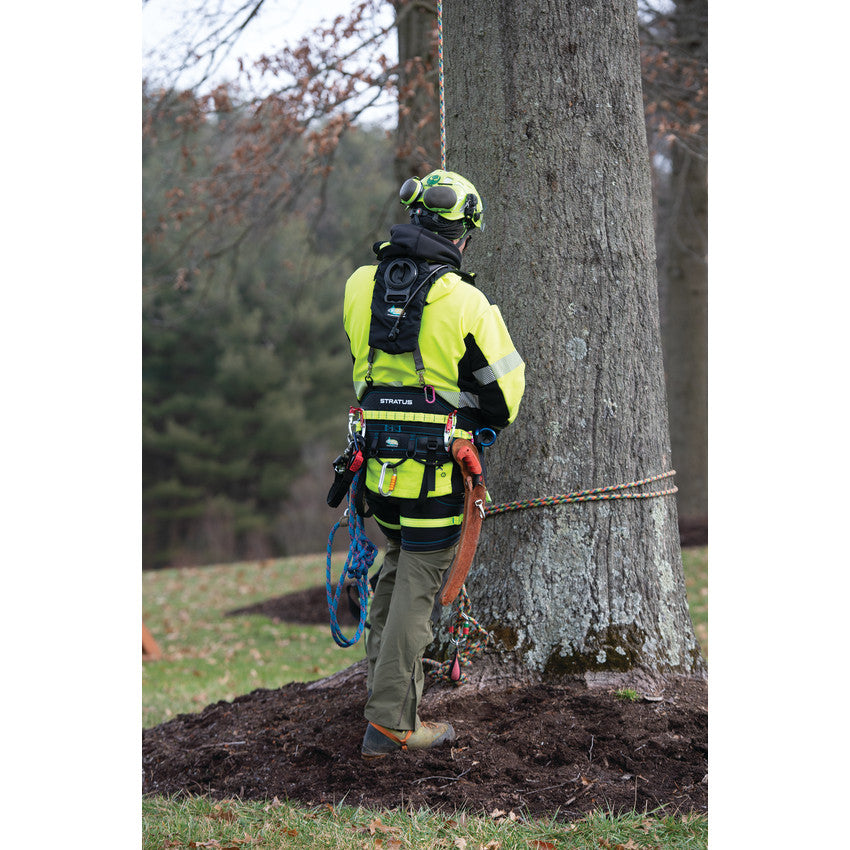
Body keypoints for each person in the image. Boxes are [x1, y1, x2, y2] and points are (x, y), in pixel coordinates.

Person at [342, 168, 525, 759]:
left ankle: (381, 696)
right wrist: (465, 420)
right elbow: (505, 397)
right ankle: (391, 721)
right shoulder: (466, 301)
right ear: (463, 233)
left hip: (377, 471)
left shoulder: (358, 286)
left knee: (397, 568)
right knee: (419, 583)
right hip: (435, 477)